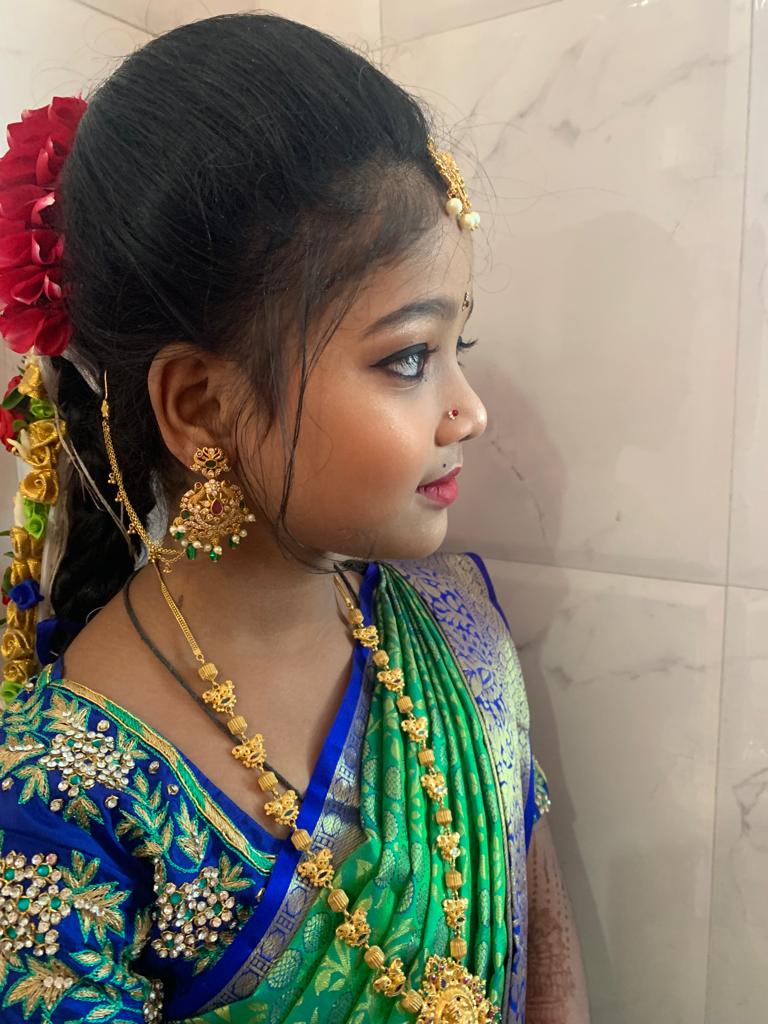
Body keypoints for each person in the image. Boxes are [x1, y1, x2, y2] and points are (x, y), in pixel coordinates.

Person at [0, 13, 588, 1023]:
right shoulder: (58, 797)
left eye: (458, 348)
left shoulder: (455, 636)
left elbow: (548, 964)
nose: (469, 411)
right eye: (409, 357)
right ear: (201, 407)